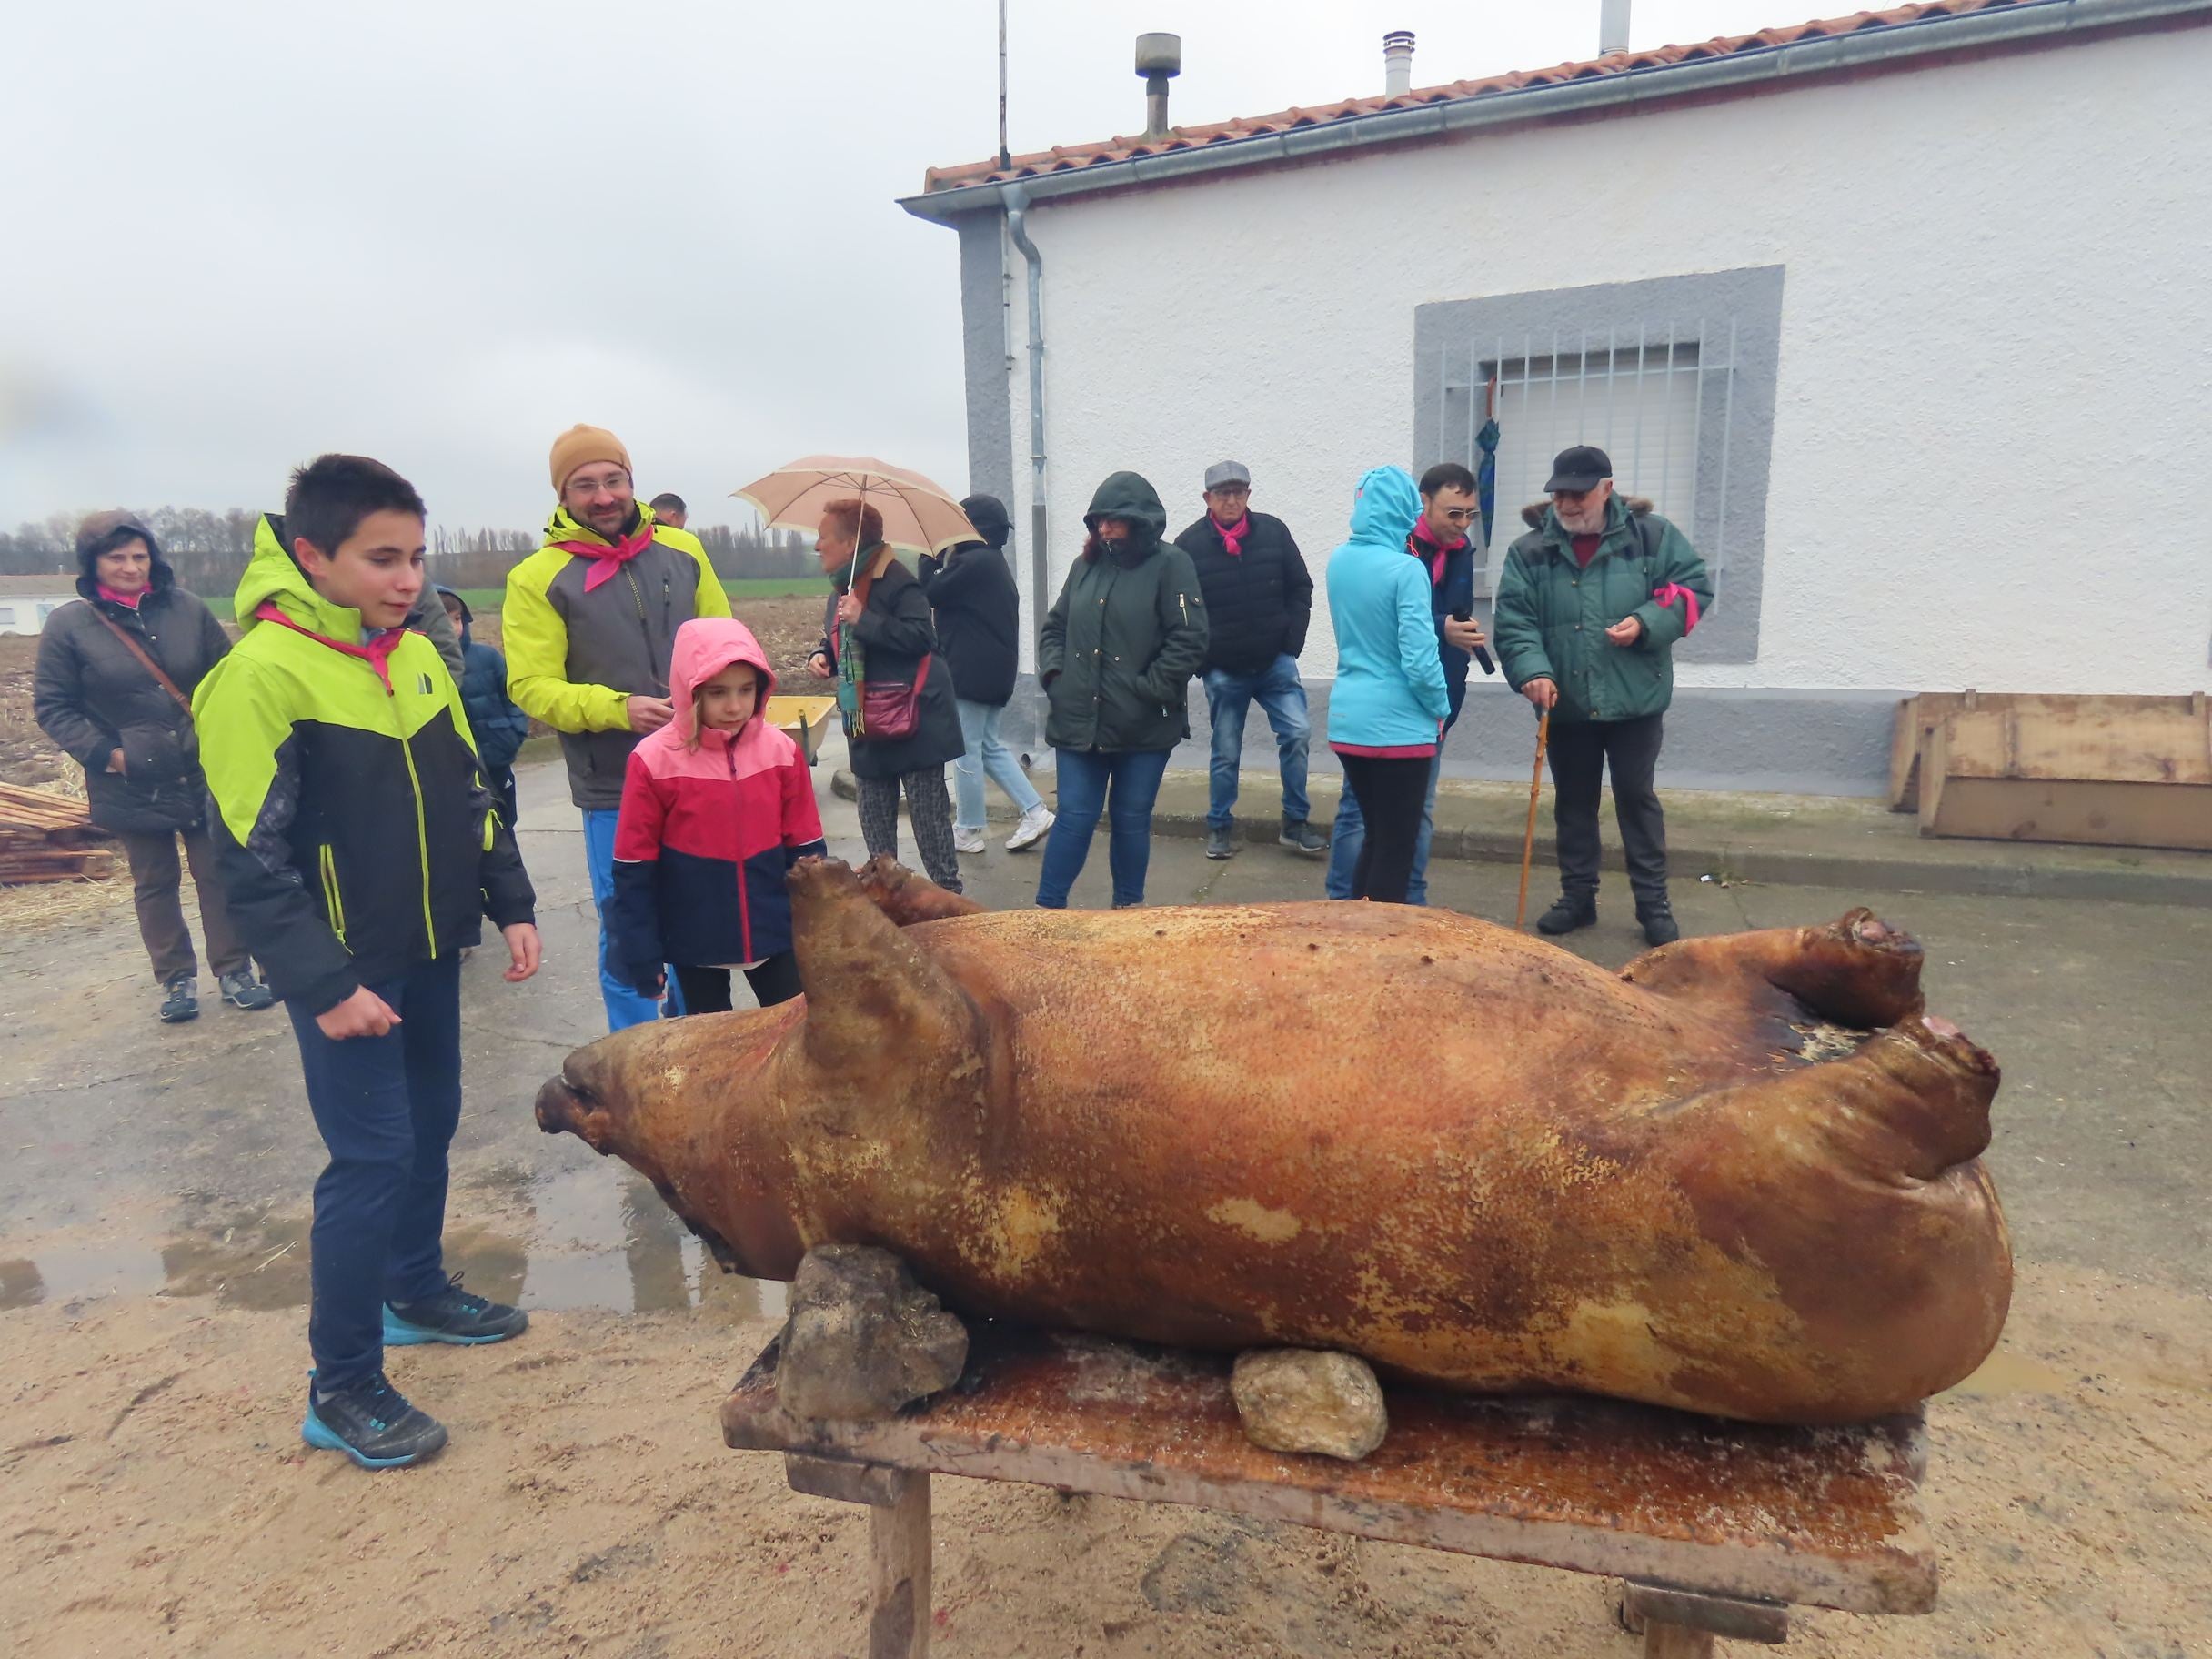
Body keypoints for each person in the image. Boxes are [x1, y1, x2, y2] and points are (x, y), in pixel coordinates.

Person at [193, 455, 541, 1470]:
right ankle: (340, 1384)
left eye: (416, 557)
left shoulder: (416, 654)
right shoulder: (257, 676)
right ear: (312, 556)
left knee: (431, 1122)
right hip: (345, 969)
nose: (407, 578)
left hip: (431, 945)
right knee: (370, 1157)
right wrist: (324, 982)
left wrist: (508, 901)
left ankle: (414, 1290)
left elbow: (471, 793)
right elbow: (244, 863)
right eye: (381, 558)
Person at [503, 425, 730, 1031]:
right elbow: (531, 687)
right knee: (628, 923)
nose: (603, 496)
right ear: (563, 495)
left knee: (700, 910)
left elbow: (724, 643)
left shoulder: (684, 553)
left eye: (613, 480)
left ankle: (696, 1037)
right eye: (585, 485)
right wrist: (617, 708)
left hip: (700, 770)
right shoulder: (537, 578)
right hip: (615, 785)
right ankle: (635, 1063)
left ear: (631, 481)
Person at [33, 510, 273, 1021]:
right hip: (131, 777)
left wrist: (227, 741)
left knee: (220, 874)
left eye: (139, 556)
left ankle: (234, 970)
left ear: (153, 558)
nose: (129, 566)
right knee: (154, 881)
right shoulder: (68, 626)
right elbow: (54, 706)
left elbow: (227, 678)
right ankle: (177, 980)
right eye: (116, 557)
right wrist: (107, 755)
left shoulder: (187, 609)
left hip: (202, 766)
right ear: (93, 563)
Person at [1493, 445, 1714, 947]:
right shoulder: (1528, 551)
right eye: (1560, 494)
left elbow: (1692, 589)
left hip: (1635, 700)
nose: (1568, 504)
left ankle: (1653, 905)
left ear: (1607, 489)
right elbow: (1514, 622)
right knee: (1574, 803)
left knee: (1636, 799)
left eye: (1579, 493)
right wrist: (1533, 671)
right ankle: (1577, 898)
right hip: (1565, 702)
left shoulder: (1654, 537)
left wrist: (1646, 622)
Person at [606, 617, 825, 1013]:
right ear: (690, 692)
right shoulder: (652, 761)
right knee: (707, 1055)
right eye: (718, 692)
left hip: (775, 929)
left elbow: (807, 847)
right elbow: (633, 867)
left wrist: (824, 925)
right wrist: (640, 950)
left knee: (796, 1037)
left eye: (746, 690)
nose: (735, 705)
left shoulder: (782, 752)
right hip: (694, 942)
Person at [1034, 472, 1208, 910]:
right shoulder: (1085, 566)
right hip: (1078, 719)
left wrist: (1149, 688)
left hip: (1144, 723)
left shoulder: (1172, 564)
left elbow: (1189, 638)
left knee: (1131, 821)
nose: (1103, 529)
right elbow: (1055, 627)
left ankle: (1128, 914)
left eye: (1112, 520)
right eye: (1097, 522)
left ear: (1139, 520)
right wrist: (1056, 677)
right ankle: (1044, 915)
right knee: (1074, 817)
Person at [1325, 461, 1488, 905]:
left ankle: (1347, 930)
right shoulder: (1406, 569)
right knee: (1395, 852)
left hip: (1348, 718)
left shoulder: (1339, 561)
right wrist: (1438, 708)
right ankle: (1384, 951)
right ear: (1408, 508)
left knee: (1373, 838)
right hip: (1401, 725)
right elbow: (1419, 660)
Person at [802, 498, 965, 891]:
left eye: (824, 537)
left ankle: (952, 913)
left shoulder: (900, 582)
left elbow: (921, 638)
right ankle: (887, 908)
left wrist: (866, 618)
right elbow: (839, 639)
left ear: (851, 541)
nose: (817, 546)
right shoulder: (842, 590)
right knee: (877, 841)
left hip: (914, 723)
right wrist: (823, 655)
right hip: (865, 723)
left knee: (931, 832)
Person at [1171, 460, 1323, 860]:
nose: (1232, 500)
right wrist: (1204, 661)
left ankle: (1295, 823)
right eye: (1223, 493)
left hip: (1275, 663)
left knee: (1298, 735)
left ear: (1249, 495)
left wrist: (1291, 643)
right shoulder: (1188, 547)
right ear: (1207, 499)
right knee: (1225, 753)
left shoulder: (1274, 532)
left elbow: (1300, 587)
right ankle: (1219, 826)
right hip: (1223, 671)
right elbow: (1179, 609)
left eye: (1239, 492)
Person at [918, 493, 1053, 855]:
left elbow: (931, 591)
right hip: (992, 672)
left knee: (966, 752)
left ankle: (968, 829)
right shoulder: (990, 561)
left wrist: (928, 554)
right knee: (989, 747)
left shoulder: (975, 562)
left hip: (971, 672)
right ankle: (1035, 811)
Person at [437, 587, 528, 830]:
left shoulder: (487, 657)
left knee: (504, 823)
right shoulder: (424, 663)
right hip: (456, 772)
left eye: (457, 619)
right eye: (443, 620)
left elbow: (513, 698)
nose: (453, 627)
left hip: (497, 760)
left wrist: (512, 735)